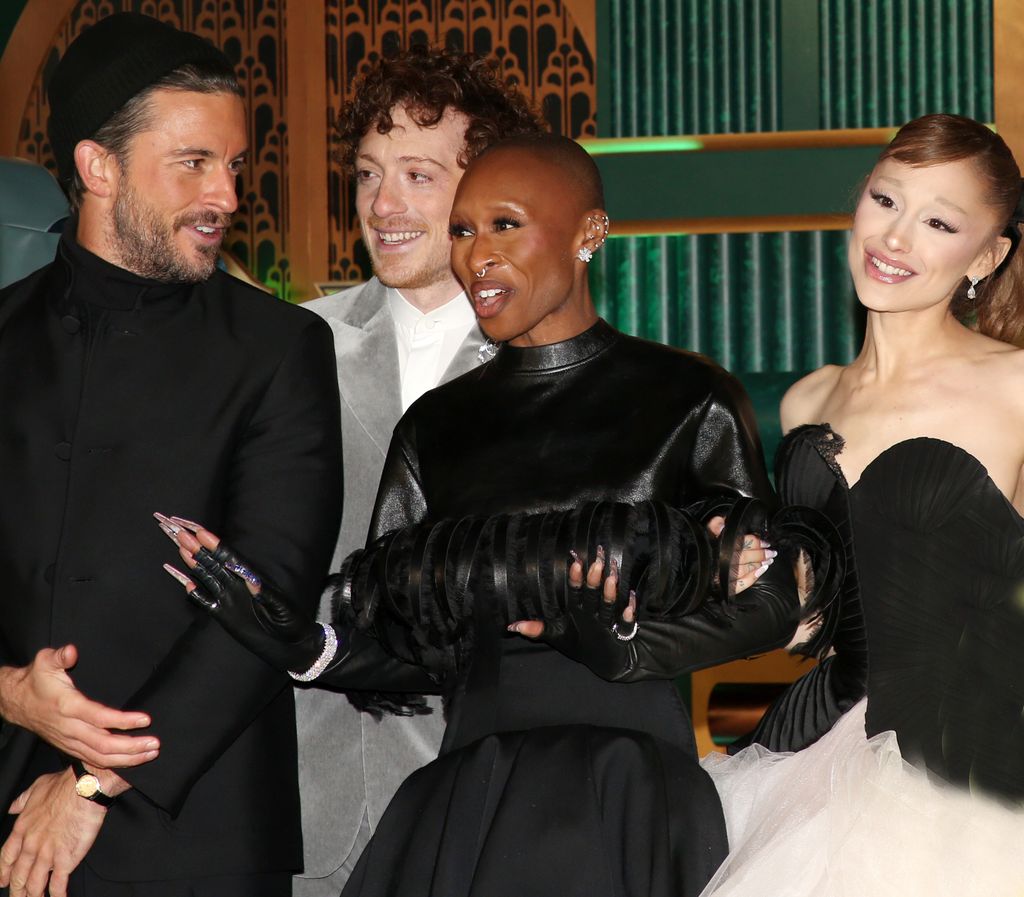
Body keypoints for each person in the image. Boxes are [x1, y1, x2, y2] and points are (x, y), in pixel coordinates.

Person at [161, 133, 802, 897]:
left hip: (627, 792)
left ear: (589, 233)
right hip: (473, 795)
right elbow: (409, 639)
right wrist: (299, 640)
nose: (476, 256)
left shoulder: (685, 396)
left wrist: (627, 648)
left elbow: (772, 603)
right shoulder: (437, 426)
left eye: (505, 225)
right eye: (462, 231)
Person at [0, 13, 342, 897]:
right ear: (97, 167)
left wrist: (91, 780)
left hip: (197, 835)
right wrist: (6, 690)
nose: (225, 195)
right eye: (193, 163)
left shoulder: (280, 348)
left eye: (233, 165)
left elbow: (268, 595)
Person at [698, 113, 1024, 896]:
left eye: (938, 221)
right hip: (813, 751)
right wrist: (762, 579)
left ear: (986, 255)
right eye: (886, 200)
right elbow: (815, 607)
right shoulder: (810, 398)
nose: (896, 237)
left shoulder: (1016, 386)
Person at [296, 47, 545, 894]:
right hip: (311, 794)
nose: (384, 205)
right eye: (368, 174)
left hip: (488, 795)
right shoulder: (296, 345)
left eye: (417, 174)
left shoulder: (547, 361)